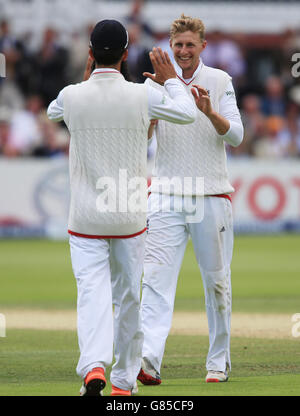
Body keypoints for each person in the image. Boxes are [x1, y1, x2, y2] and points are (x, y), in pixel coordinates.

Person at [47, 19, 196, 396]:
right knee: (129, 297)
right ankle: (123, 383)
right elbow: (188, 112)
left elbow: (53, 112)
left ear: (91, 53)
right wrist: (170, 79)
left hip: (84, 218)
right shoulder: (141, 95)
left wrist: (84, 82)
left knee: (91, 292)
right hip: (129, 215)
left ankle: (93, 365)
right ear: (127, 54)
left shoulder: (71, 95)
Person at [138, 14, 244, 386]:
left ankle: (218, 362)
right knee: (154, 281)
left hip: (211, 195)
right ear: (171, 46)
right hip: (165, 194)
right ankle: (148, 361)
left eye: (189, 45)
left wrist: (210, 112)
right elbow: (142, 143)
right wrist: (150, 116)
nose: (183, 51)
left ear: (202, 46)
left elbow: (236, 137)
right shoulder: (156, 85)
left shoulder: (219, 80)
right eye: (177, 45)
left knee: (217, 283)